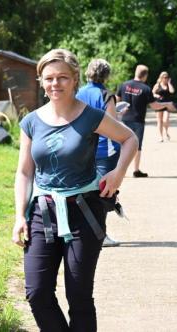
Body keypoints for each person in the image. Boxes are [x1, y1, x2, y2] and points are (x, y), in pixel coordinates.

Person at [12, 49, 137, 331]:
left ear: (75, 79)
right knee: (37, 292)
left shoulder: (90, 116)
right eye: (49, 78)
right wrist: (19, 216)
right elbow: (24, 171)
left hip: (85, 212)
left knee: (79, 296)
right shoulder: (31, 122)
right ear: (41, 81)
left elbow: (129, 138)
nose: (55, 84)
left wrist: (117, 174)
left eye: (62, 78)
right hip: (42, 212)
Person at [76, 58, 122, 247]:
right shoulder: (105, 95)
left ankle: (86, 230)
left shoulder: (77, 93)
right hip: (105, 149)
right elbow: (112, 123)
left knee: (85, 191)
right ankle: (100, 234)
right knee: (104, 192)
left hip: (83, 147)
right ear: (106, 75)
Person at [116, 65, 177, 177]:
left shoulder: (124, 85)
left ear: (136, 72)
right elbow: (155, 106)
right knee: (137, 146)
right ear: (145, 75)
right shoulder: (146, 88)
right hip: (138, 121)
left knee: (122, 145)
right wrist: (167, 105)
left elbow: (116, 101)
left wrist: (118, 113)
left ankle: (119, 169)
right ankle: (136, 170)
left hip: (124, 120)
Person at [152, 71, 176, 142]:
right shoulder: (157, 85)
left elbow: (172, 91)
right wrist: (156, 95)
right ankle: (160, 136)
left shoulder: (169, 85)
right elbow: (152, 93)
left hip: (167, 104)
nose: (166, 79)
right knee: (159, 121)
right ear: (161, 78)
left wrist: (169, 83)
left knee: (165, 120)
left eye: (167, 77)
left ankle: (166, 132)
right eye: (164, 77)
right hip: (159, 104)